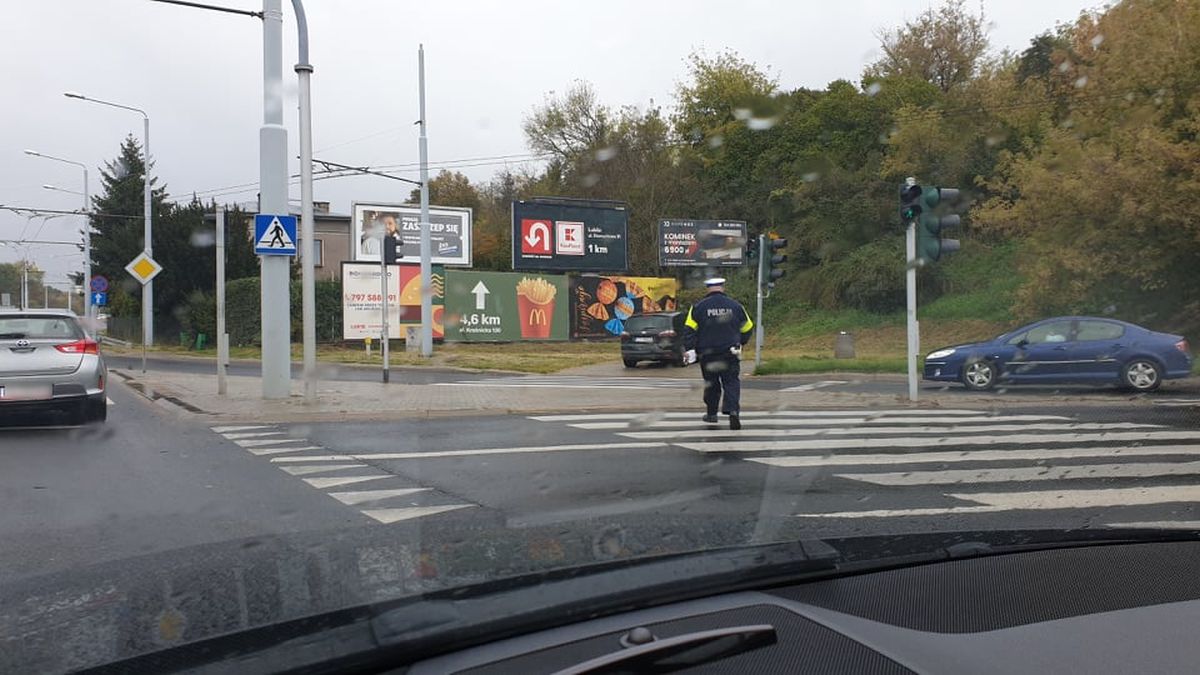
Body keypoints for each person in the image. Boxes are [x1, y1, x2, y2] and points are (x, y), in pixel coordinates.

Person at [681, 277, 754, 430]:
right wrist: (741, 341)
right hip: (730, 351)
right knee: (731, 382)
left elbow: (689, 330)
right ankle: (733, 411)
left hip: (708, 353)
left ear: (708, 288)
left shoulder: (698, 307)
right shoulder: (736, 306)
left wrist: (691, 349)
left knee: (711, 383)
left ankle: (712, 414)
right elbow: (748, 326)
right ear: (723, 287)